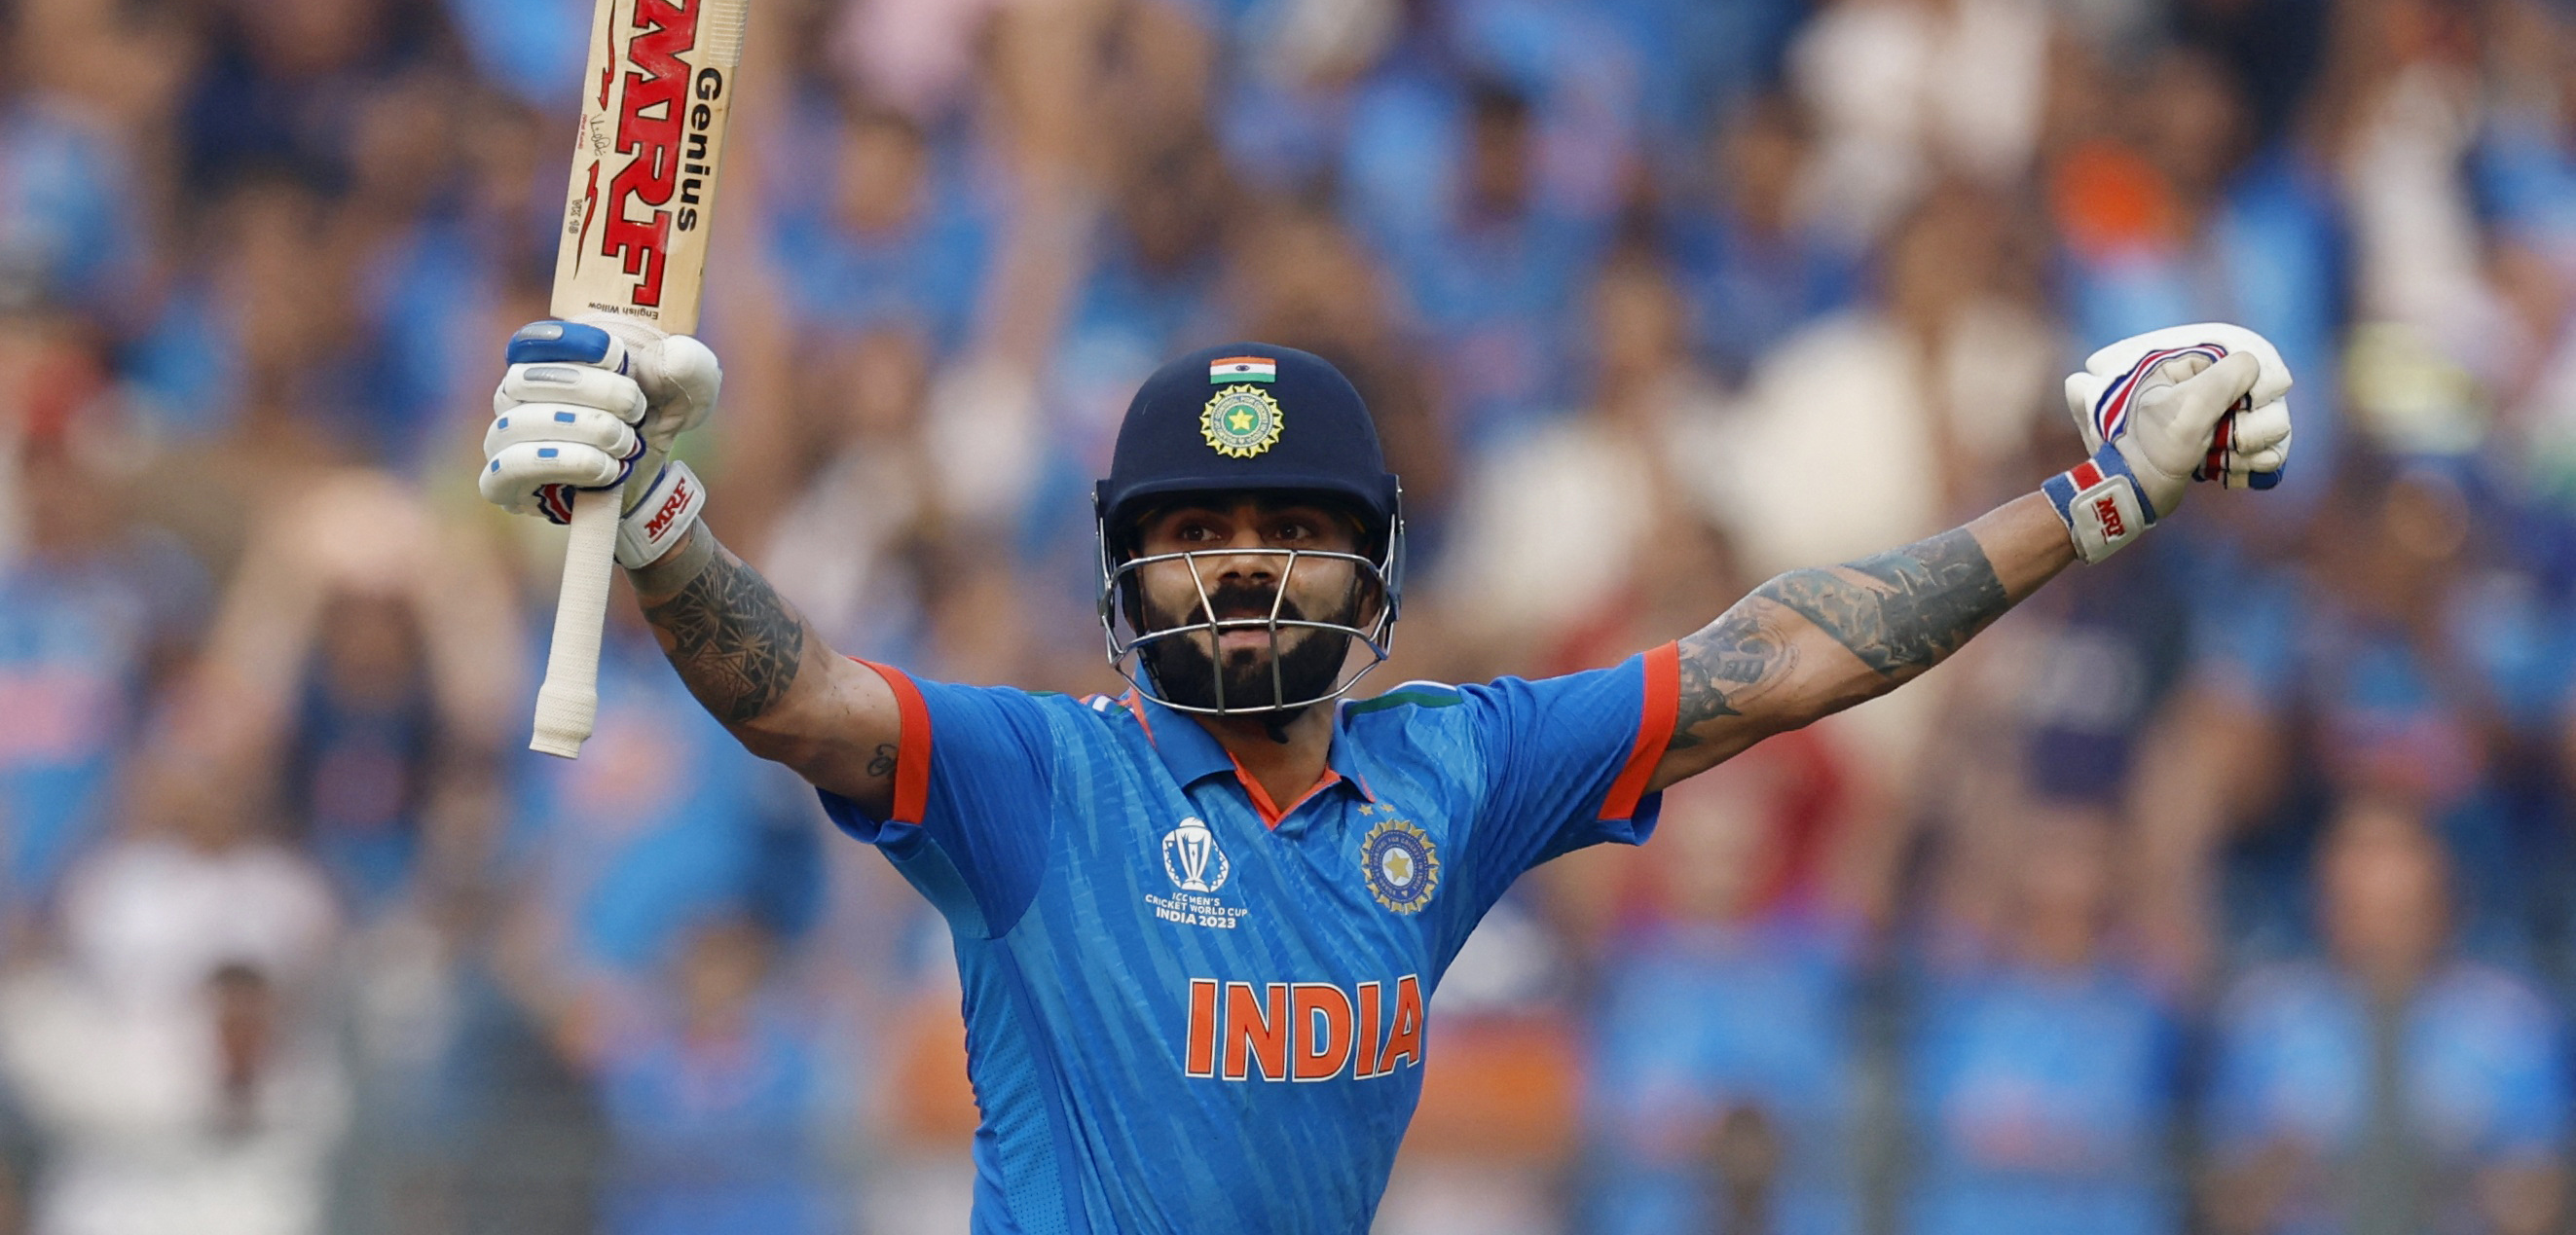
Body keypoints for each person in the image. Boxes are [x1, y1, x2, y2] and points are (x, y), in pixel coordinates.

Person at [474, 320, 2291, 1233]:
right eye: (1193, 532)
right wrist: (654, 527)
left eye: (1287, 528)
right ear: (1122, 572)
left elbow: (1787, 656)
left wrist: (2099, 501)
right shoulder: (1040, 781)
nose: (1242, 568)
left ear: (1372, 569)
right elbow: (800, 701)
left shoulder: (1461, 771)